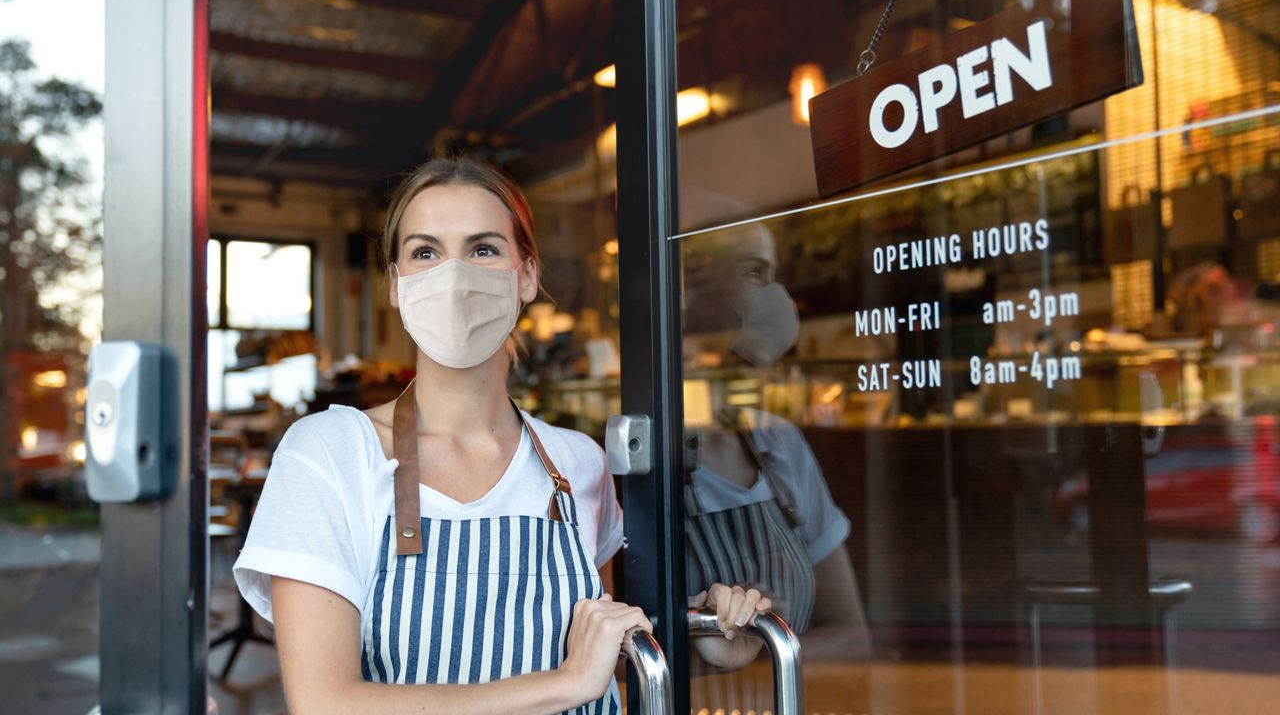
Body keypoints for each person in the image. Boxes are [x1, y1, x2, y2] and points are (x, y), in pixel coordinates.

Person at [233, 158, 770, 714]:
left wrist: (708, 633)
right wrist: (563, 685)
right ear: (395, 285)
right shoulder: (328, 452)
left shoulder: (576, 464)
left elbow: (600, 650)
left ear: (528, 276)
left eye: (483, 249)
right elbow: (325, 704)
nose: (454, 275)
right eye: (425, 252)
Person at [682, 220, 872, 711]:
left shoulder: (779, 443)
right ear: (693, 292)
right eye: (754, 272)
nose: (773, 295)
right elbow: (617, 661)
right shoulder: (632, 464)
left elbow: (854, 637)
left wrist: (766, 637)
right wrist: (708, 648)